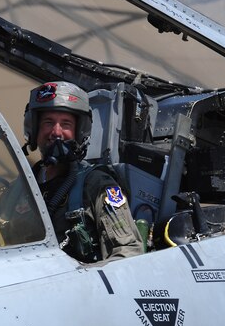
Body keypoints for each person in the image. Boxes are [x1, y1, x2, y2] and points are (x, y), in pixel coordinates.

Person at [23, 81, 143, 263]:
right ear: (34, 128)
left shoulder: (97, 184)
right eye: (48, 122)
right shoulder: (22, 186)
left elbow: (128, 253)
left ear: (79, 132)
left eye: (66, 124)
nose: (56, 132)